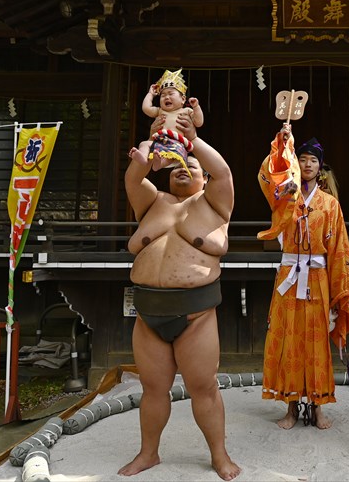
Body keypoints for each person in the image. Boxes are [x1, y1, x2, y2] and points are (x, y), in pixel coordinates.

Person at [120, 113, 240, 480]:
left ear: (204, 177)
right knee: (153, 388)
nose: (183, 168)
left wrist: (192, 141)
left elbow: (224, 173)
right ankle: (148, 453)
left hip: (196, 315)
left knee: (203, 389)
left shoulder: (214, 205)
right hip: (148, 311)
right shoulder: (151, 203)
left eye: (191, 166)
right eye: (176, 166)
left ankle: (219, 456)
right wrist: (147, 154)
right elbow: (133, 178)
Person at [257, 125, 349, 429]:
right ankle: (290, 407)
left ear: (321, 167)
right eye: (302, 159)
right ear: (296, 163)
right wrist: (281, 143)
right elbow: (266, 175)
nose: (308, 164)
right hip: (289, 275)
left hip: (318, 278)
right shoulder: (284, 197)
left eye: (313, 160)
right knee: (289, 337)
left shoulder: (330, 204)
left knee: (316, 341)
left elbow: (339, 248)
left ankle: (317, 406)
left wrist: (341, 291)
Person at [140, 68, 204, 173]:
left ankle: (159, 164)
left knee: (170, 156)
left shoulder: (186, 111)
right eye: (163, 95)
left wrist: (196, 107)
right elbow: (146, 109)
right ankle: (142, 158)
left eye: (170, 94)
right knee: (144, 144)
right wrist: (150, 94)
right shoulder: (160, 111)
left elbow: (199, 122)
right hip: (160, 142)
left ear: (183, 99)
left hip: (176, 144)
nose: (166, 97)